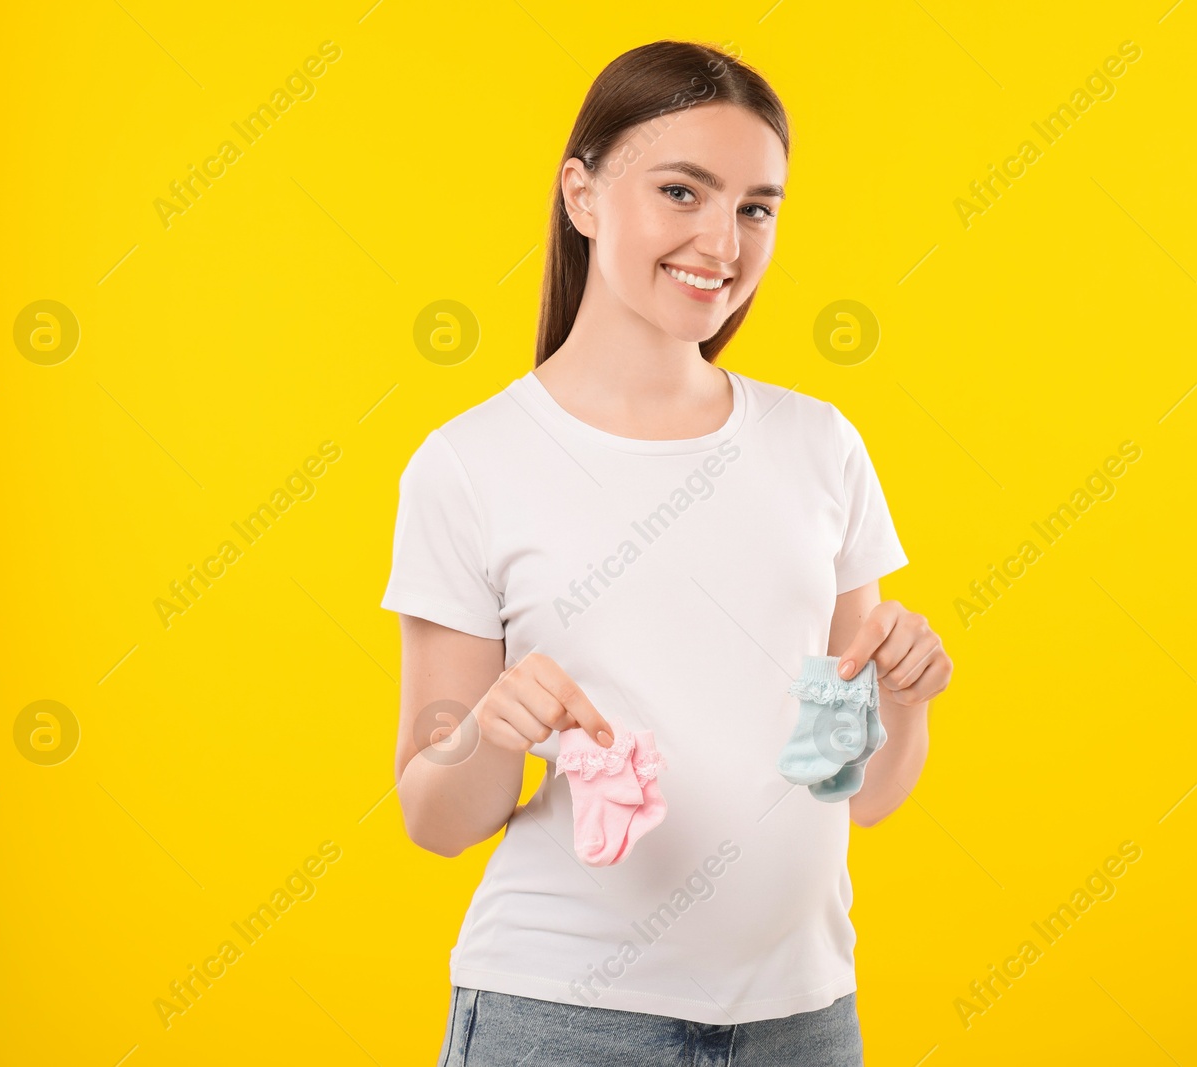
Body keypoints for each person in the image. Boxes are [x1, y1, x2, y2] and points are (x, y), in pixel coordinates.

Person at [381, 38, 954, 1067]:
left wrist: (903, 697)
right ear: (583, 194)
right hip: (557, 1017)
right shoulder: (469, 464)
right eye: (681, 190)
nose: (722, 241)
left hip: (803, 1018)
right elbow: (434, 812)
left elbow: (860, 791)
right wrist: (490, 729)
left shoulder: (818, 444)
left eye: (755, 207)